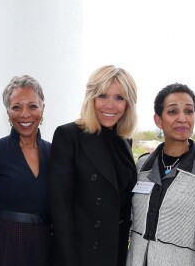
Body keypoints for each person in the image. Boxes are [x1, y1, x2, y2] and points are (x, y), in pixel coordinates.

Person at [50, 65, 138, 266]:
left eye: (119, 98)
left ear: (128, 104)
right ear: (91, 98)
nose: (110, 105)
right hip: (81, 254)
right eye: (103, 96)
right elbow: (60, 209)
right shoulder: (68, 135)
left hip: (114, 252)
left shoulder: (125, 142)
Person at [126, 83, 195, 266]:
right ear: (158, 120)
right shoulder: (142, 166)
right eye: (173, 112)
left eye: (189, 111)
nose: (182, 118)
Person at [0, 75, 51, 266]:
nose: (25, 114)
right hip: (3, 244)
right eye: (16, 107)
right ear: (7, 112)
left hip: (45, 246)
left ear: (42, 109)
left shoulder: (56, 153)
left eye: (33, 106)